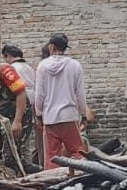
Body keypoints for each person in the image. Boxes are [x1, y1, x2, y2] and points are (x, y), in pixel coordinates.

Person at [34, 32, 94, 163]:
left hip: (50, 118)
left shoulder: (42, 66)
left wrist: (39, 115)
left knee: (52, 157)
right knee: (78, 153)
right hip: (69, 116)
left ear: (51, 47)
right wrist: (83, 115)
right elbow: (80, 94)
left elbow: (39, 95)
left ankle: (52, 176)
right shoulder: (75, 65)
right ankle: (82, 174)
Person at [0, 49, 29, 146]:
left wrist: (17, 121)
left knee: (14, 149)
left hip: (15, 115)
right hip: (3, 116)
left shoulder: (4, 70)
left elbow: (21, 92)